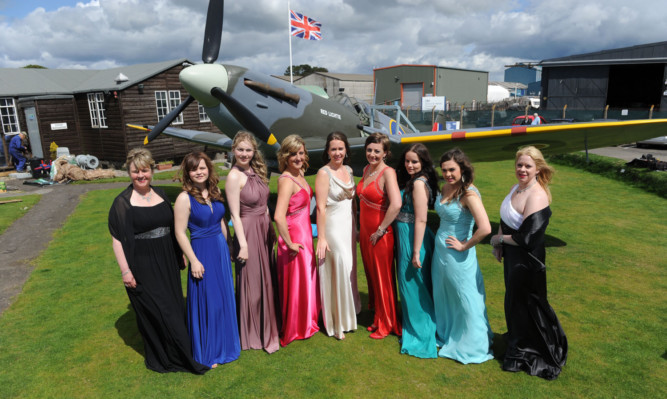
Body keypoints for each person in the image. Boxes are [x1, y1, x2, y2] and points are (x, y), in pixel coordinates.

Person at [108, 148, 207, 374]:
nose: (141, 176)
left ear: (151, 171)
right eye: (135, 172)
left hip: (167, 260)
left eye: (144, 170)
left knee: (173, 306)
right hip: (142, 264)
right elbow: (117, 240)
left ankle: (181, 351)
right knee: (160, 311)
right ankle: (177, 358)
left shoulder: (161, 194)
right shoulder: (122, 203)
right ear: (129, 173)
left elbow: (172, 227)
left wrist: (178, 252)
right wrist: (125, 271)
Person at [490, 146, 567, 380]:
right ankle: (518, 342)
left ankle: (529, 351)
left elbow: (527, 238)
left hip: (527, 261)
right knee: (514, 303)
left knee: (528, 305)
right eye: (519, 165)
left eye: (527, 166)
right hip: (513, 257)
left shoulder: (538, 194)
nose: (522, 169)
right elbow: (505, 217)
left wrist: (497, 238)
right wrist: (499, 244)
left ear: (538, 169)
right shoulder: (516, 188)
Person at [174, 152, 240, 368]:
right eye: (194, 169)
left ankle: (226, 345)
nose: (199, 172)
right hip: (201, 251)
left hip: (220, 250)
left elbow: (220, 220)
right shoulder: (184, 198)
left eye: (202, 167)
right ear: (188, 173)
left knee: (223, 299)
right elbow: (180, 233)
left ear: (208, 168)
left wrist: (229, 245)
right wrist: (193, 260)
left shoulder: (214, 191)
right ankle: (209, 352)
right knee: (208, 301)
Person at [432, 148, 494, 364]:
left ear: (462, 168)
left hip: (458, 255)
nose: (448, 174)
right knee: (444, 294)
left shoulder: (468, 193)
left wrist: (465, 245)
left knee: (465, 296)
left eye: (452, 170)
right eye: (444, 170)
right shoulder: (446, 187)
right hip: (440, 251)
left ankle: (473, 345)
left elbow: (485, 228)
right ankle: (449, 334)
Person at [226, 132, 280, 354]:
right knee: (253, 284)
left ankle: (268, 325)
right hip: (247, 231)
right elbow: (235, 215)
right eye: (240, 150)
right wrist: (243, 244)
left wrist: (271, 229)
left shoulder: (256, 171)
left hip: (263, 228)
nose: (244, 154)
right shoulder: (233, 177)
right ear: (233, 150)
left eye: (248, 150)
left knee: (266, 281)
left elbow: (265, 204)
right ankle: (253, 332)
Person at [274, 135, 320, 346]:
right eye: (293, 154)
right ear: (285, 156)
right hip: (294, 238)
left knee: (305, 281)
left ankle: (307, 321)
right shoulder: (286, 180)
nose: (298, 157)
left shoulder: (300, 174)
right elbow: (278, 216)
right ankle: (295, 326)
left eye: (301, 153)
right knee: (296, 283)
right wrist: (290, 243)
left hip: (305, 235)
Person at [315, 132, 361, 340]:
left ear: (346, 150)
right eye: (333, 149)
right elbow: (320, 208)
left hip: (348, 226)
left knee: (349, 269)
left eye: (340, 148)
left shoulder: (349, 170)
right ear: (327, 151)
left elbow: (352, 204)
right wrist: (322, 237)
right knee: (339, 269)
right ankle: (336, 323)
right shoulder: (323, 173)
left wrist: (357, 227)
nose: (337, 152)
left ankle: (348, 317)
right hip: (332, 227)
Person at [394, 143, 438, 358]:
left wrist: (415, 251)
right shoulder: (414, 180)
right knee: (411, 285)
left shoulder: (419, 184)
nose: (410, 165)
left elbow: (421, 218)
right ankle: (414, 324)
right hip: (406, 234)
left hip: (413, 237)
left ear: (423, 163)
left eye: (414, 162)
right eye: (407, 161)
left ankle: (420, 331)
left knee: (411, 284)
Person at [356, 132, 402, 339]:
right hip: (366, 233)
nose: (372, 154)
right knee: (372, 277)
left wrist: (381, 229)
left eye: (377, 151)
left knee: (383, 278)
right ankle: (378, 317)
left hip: (380, 234)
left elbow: (396, 204)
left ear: (385, 153)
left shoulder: (388, 173)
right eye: (369, 150)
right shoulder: (366, 169)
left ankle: (388, 322)